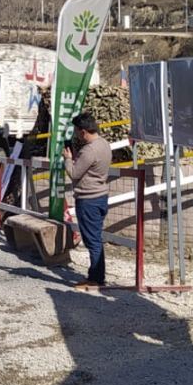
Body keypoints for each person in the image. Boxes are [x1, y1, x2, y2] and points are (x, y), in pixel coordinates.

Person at [62, 112, 112, 292]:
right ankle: (97, 275)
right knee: (96, 238)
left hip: (88, 198)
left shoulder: (89, 150)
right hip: (100, 196)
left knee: (92, 240)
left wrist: (68, 159)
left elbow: (74, 173)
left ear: (83, 131)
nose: (75, 135)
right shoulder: (104, 144)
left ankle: (95, 278)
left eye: (76, 131)